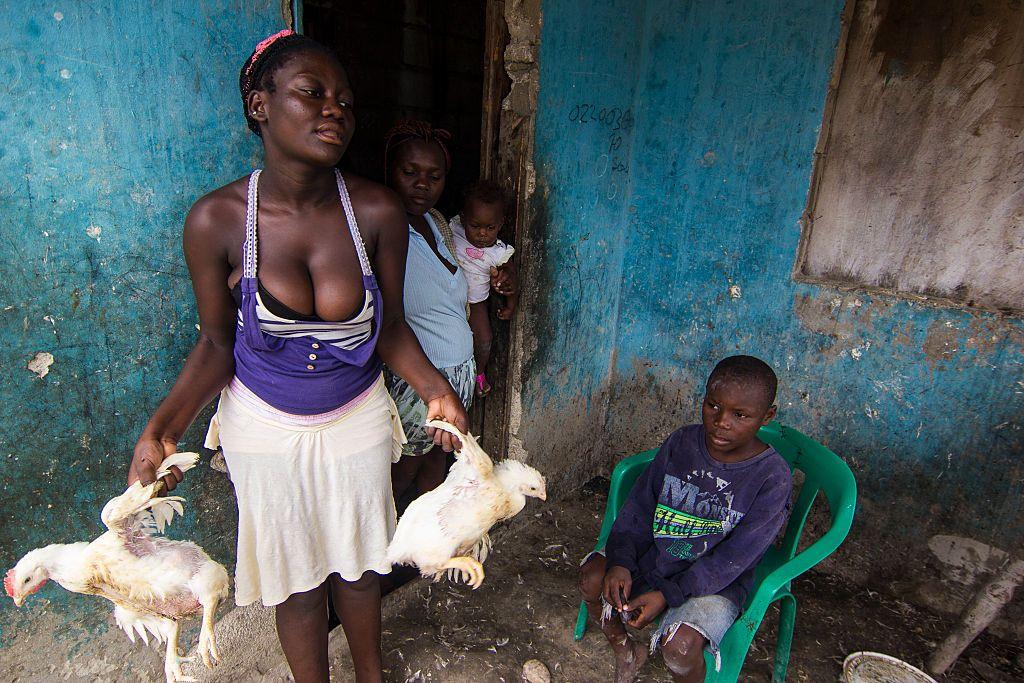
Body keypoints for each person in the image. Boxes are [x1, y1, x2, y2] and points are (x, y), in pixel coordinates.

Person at [127, 31, 468, 683]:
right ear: (260, 104)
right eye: (312, 93)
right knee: (299, 584)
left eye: (344, 100)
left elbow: (389, 326)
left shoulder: (375, 210)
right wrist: (161, 428)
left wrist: (434, 389)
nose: (334, 109)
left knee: (363, 571)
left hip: (357, 413)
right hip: (264, 425)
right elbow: (216, 343)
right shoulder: (218, 220)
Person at [578, 355, 792, 683]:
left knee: (679, 647)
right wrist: (620, 560)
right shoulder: (683, 442)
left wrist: (669, 593)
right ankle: (626, 651)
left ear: (767, 417)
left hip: (714, 580)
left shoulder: (771, 478)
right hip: (657, 553)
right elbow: (640, 507)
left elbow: (733, 560)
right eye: (713, 405)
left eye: (740, 415)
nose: (722, 422)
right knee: (594, 578)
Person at [382, 121, 517, 499]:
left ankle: (428, 553)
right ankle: (388, 551)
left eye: (434, 175)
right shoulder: (382, 230)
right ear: (389, 170)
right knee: (403, 473)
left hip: (458, 373)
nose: (422, 184)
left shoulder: (440, 224)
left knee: (436, 469)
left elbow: (477, 271)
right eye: (410, 172)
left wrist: (506, 278)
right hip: (419, 382)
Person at [449, 180, 518, 397]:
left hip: (475, 302)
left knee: (484, 340)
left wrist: (510, 306)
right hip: (448, 299)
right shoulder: (452, 229)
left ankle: (479, 375)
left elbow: (511, 281)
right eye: (475, 225)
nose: (482, 234)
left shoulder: (500, 253)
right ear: (463, 219)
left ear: (501, 224)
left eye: (490, 228)